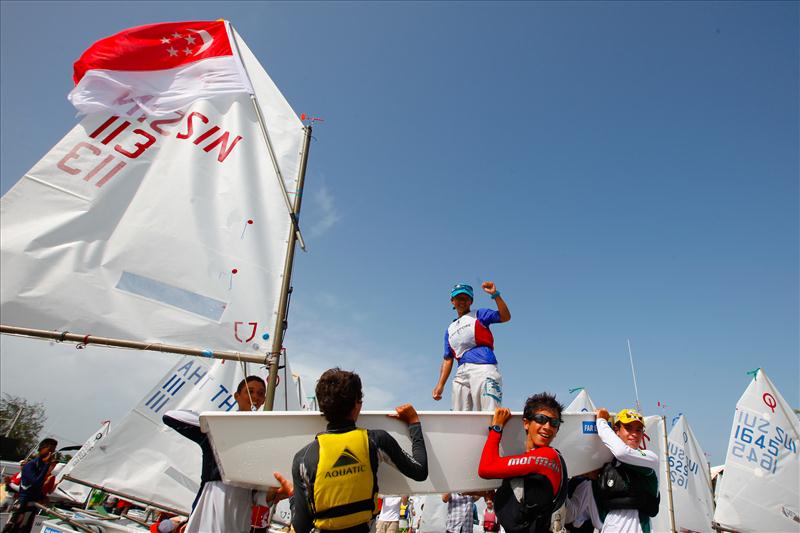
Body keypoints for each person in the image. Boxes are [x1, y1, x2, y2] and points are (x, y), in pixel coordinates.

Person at [291, 368, 428, 533]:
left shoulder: (303, 458)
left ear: (322, 406)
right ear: (357, 405)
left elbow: (301, 526)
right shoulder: (375, 440)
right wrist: (414, 422)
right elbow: (420, 471)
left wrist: (293, 496)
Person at [163, 375, 292, 533]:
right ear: (237, 396)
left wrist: (275, 495)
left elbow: (257, 496)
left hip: (240, 516)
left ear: (264, 399)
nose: (255, 397)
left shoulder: (260, 442)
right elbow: (170, 417)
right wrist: (219, 425)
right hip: (211, 503)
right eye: (249, 391)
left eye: (260, 393)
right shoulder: (217, 431)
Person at [478, 394, 568, 533]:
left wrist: (496, 428)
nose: (548, 427)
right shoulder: (532, 460)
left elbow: (486, 468)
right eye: (541, 419)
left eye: (554, 423)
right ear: (526, 423)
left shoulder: (547, 457)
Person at [433, 281, 510, 412]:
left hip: (483, 367)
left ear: (471, 301)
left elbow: (505, 316)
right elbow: (448, 359)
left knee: (488, 411)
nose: (462, 301)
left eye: (465, 298)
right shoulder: (449, 329)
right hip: (461, 373)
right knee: (459, 414)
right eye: (458, 298)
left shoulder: (479, 314)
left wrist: (495, 295)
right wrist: (440, 385)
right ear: (452, 301)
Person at [591, 408, 659, 533]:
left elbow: (622, 452)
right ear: (616, 431)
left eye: (638, 430)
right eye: (628, 428)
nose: (634, 434)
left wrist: (601, 422)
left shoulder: (650, 458)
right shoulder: (609, 464)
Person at [2, 438, 58, 533]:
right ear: (41, 449)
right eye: (49, 450)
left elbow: (38, 487)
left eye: (52, 452)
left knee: (25, 529)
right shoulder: (30, 466)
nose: (51, 454)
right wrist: (46, 466)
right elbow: (36, 483)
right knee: (12, 528)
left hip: (32, 505)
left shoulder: (40, 466)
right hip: (22, 504)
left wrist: (43, 497)